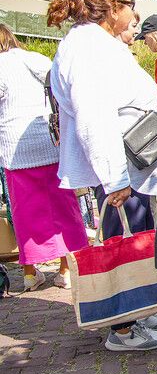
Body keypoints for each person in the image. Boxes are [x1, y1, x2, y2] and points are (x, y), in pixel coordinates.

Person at [47, 0, 157, 352]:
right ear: (113, 9)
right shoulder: (87, 49)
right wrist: (114, 177)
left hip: (132, 160)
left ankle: (141, 306)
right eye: (129, 6)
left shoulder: (96, 43)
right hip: (121, 163)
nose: (134, 13)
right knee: (122, 238)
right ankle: (122, 327)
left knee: (138, 238)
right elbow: (93, 117)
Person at [0, 25, 88, 291]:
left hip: (14, 148)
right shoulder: (36, 59)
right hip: (50, 142)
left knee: (24, 212)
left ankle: (29, 272)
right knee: (63, 207)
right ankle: (66, 269)